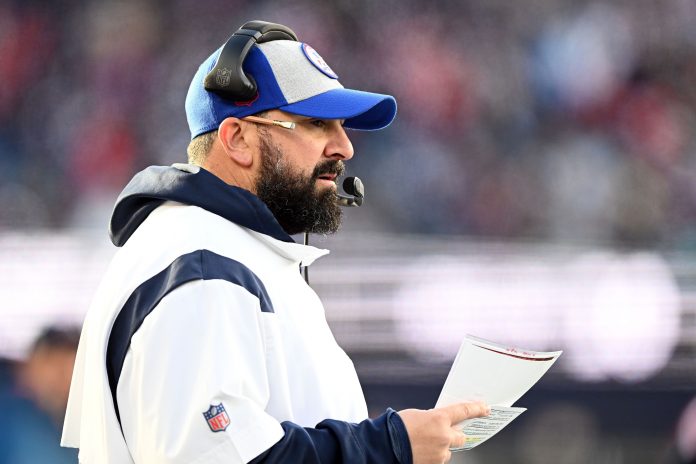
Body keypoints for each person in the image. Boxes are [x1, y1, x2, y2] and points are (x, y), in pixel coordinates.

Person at [61, 20, 489, 463]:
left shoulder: (221, 250)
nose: (345, 147)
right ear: (238, 139)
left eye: (341, 126)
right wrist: (387, 448)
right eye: (317, 124)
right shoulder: (202, 263)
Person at [0, 326, 80, 464]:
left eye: (73, 377)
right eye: (59, 370)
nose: (64, 385)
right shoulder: (10, 414)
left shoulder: (73, 421)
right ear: (36, 359)